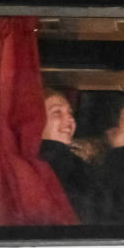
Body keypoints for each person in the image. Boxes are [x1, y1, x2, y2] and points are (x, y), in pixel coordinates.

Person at [38, 89, 96, 222]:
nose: (70, 118)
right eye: (57, 112)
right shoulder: (27, 167)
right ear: (37, 121)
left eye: (70, 112)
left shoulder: (81, 166)